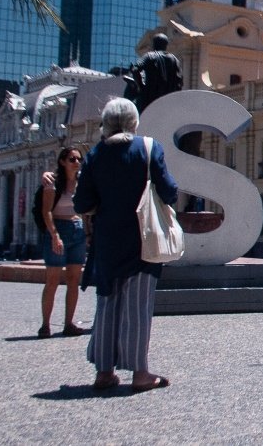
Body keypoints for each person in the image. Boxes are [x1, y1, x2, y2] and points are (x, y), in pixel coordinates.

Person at [73, 98, 178, 393]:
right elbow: (169, 190)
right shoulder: (148, 148)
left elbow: (82, 202)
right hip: (143, 239)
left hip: (107, 241)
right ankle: (140, 373)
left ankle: (104, 372)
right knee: (138, 307)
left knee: (106, 303)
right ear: (134, 122)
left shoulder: (95, 155)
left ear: (106, 124)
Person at [37, 147, 88, 338]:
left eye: (79, 159)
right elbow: (46, 212)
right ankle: (45, 325)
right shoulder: (53, 182)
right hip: (58, 229)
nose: (76, 162)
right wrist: (54, 235)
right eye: (72, 159)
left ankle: (68, 323)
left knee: (73, 281)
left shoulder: (82, 181)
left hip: (78, 230)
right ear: (62, 162)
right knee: (52, 280)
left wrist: (88, 232)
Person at [128, 33, 182, 113]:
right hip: (168, 101)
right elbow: (179, 81)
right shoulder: (174, 59)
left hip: (149, 99)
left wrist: (141, 86)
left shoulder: (149, 56)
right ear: (166, 45)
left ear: (154, 44)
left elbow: (135, 69)